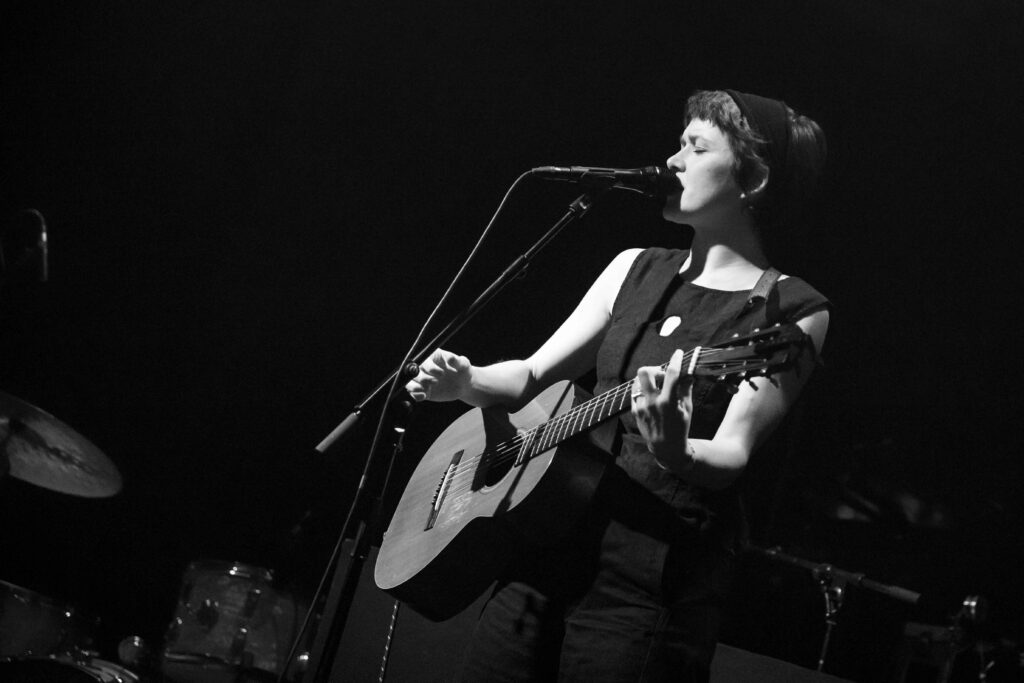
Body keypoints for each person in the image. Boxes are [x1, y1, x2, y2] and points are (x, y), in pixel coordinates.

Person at [406, 89, 831, 682]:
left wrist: (675, 450)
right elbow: (531, 376)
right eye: (678, 143)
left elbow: (732, 452)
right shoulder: (634, 266)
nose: (672, 161)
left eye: (696, 147)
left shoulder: (791, 309)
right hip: (543, 552)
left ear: (753, 180)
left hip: (645, 584)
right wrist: (467, 380)